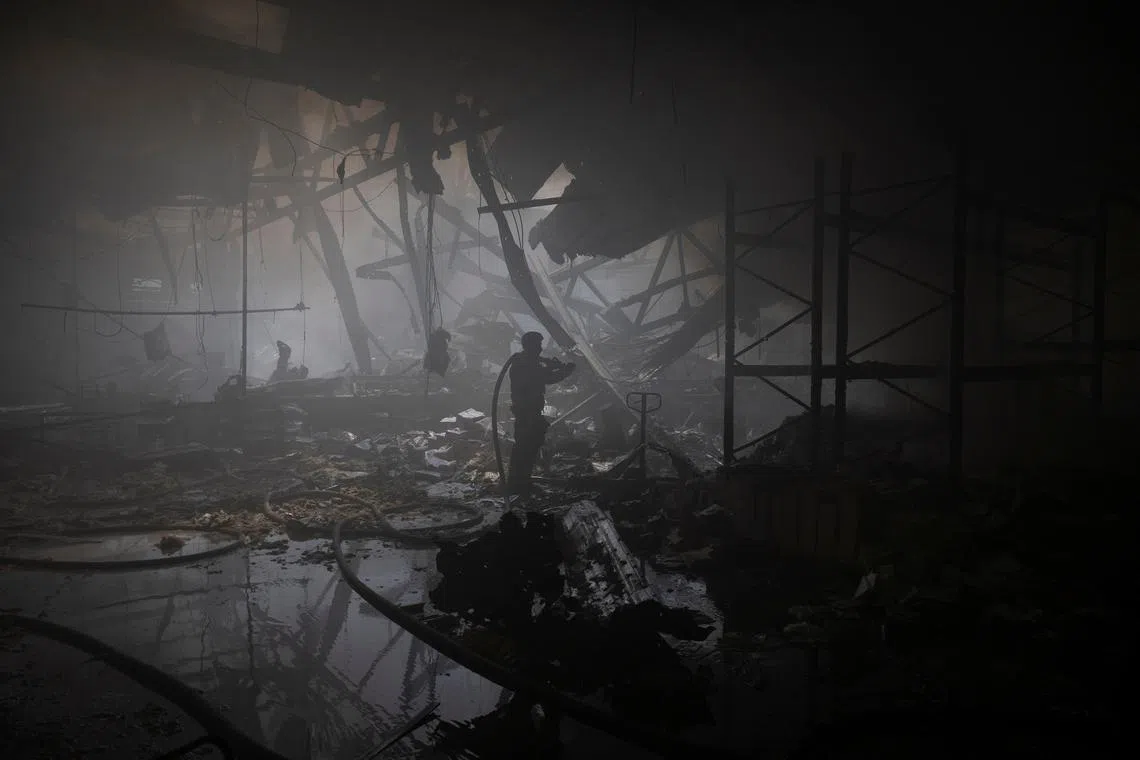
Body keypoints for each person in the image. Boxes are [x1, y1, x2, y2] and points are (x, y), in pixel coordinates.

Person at [508, 331, 576, 497]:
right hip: (527, 412)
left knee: (529, 447)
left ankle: (522, 482)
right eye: (537, 345)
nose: (540, 348)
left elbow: (542, 372)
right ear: (530, 345)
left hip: (530, 411)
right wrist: (566, 371)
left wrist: (553, 365)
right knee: (525, 447)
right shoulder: (524, 364)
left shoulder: (528, 361)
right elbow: (547, 378)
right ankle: (517, 485)